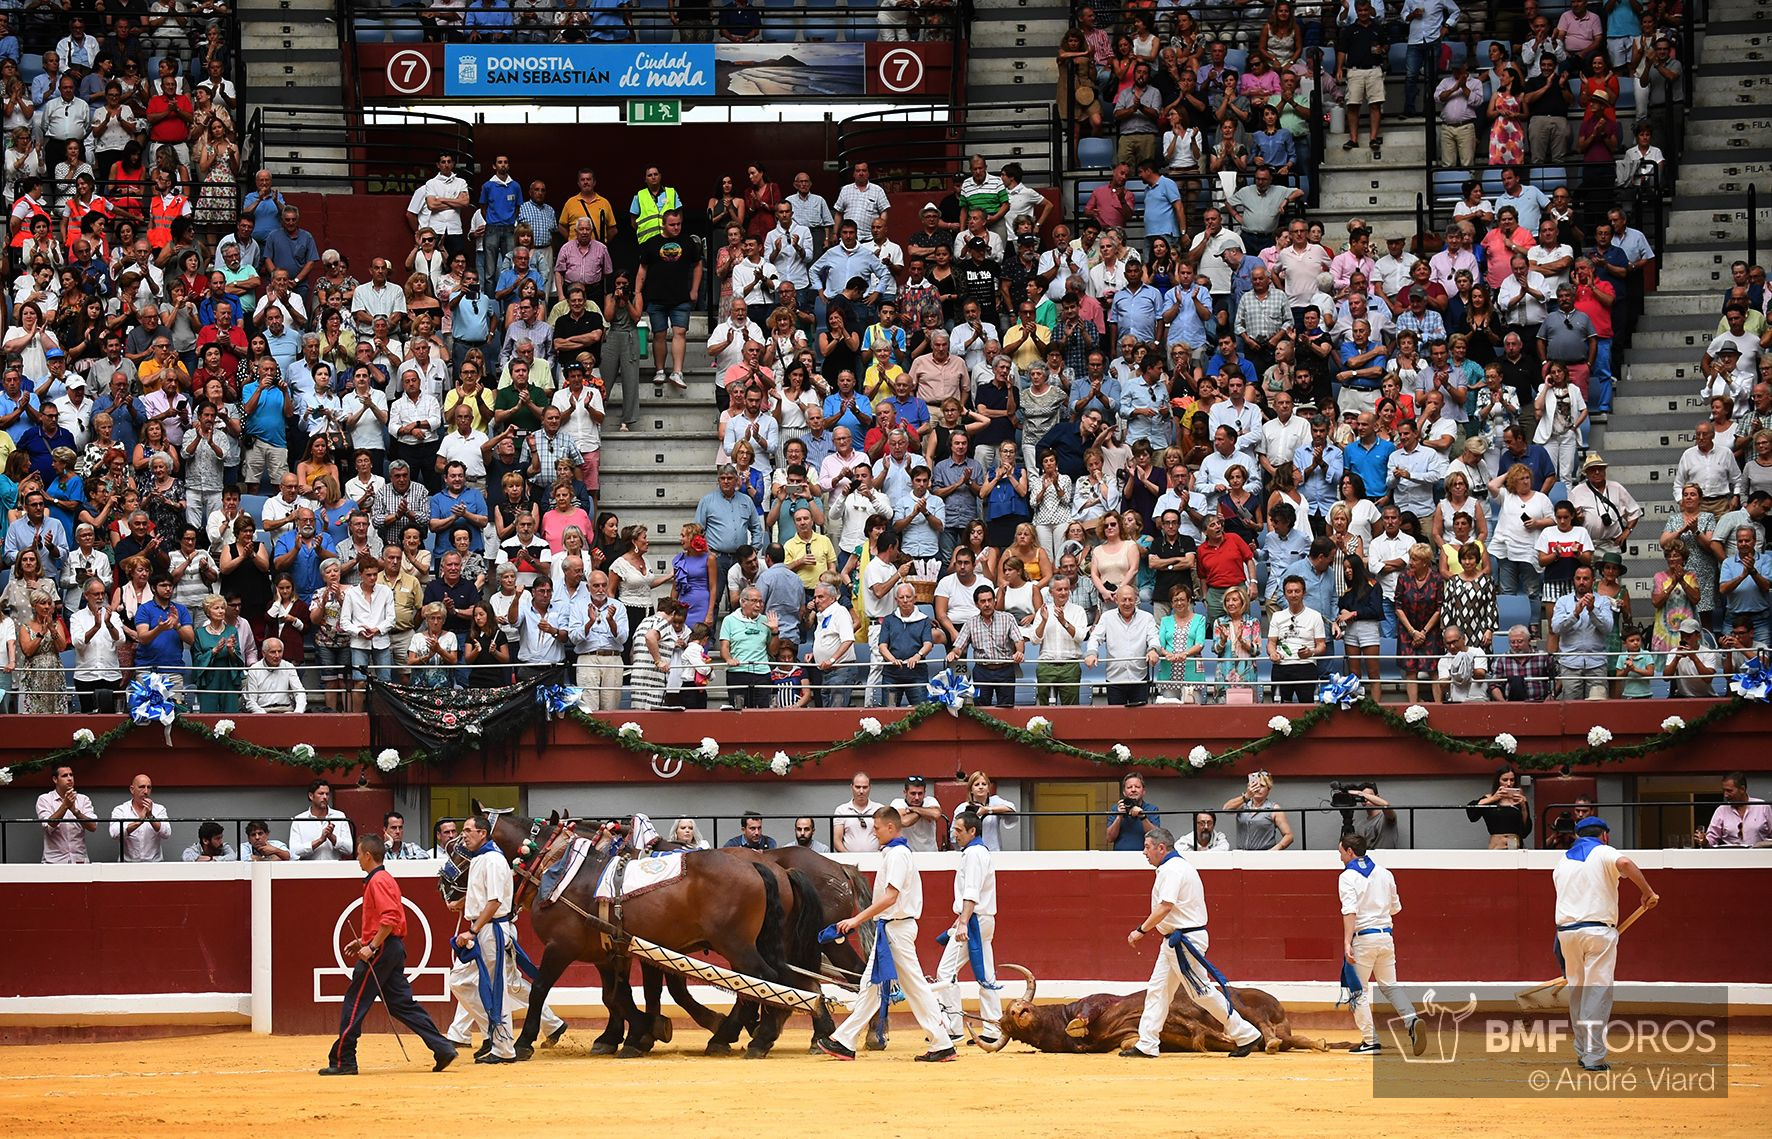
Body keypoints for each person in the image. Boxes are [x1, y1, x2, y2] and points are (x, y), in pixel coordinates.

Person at [816, 807, 958, 1063]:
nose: (875, 832)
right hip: (893, 928)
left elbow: (890, 897)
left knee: (909, 986)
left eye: (877, 828)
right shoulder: (896, 854)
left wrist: (856, 919)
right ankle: (845, 1040)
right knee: (872, 985)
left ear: (891, 828)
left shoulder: (897, 856)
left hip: (896, 928)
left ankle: (942, 1041)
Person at [320, 833, 459, 1075]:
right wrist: (363, 940)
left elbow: (389, 919)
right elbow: (387, 920)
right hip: (390, 947)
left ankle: (344, 1060)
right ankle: (442, 1047)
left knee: (356, 1001)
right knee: (401, 1004)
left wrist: (371, 946)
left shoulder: (377, 881)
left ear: (368, 855)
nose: (357, 860)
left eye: (359, 855)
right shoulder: (384, 879)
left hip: (382, 949)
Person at [1120, 826, 1264, 1059]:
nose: (1144, 852)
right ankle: (1147, 1043)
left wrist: (1141, 930)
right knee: (1158, 990)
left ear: (1161, 848)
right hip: (1177, 940)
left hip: (1183, 941)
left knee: (1201, 992)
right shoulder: (1179, 867)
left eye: (1147, 848)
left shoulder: (1172, 870)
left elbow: (1165, 906)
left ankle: (1246, 1033)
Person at [1551, 815, 1660, 1073]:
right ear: (1605, 835)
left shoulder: (1562, 862)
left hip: (1566, 933)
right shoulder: (1604, 851)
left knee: (1578, 991)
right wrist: (1646, 891)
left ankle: (1582, 1052)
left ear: (1578, 835)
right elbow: (1624, 862)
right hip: (1598, 932)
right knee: (1597, 993)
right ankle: (1594, 1057)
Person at [446, 813, 520, 1064]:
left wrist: (473, 930)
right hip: (482, 927)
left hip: (489, 930)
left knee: (496, 987)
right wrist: (461, 903)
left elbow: (495, 901)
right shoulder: (481, 858)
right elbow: (483, 896)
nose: (463, 835)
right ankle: (494, 1029)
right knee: (459, 981)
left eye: (468, 830)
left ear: (483, 833)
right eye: (463, 830)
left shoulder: (493, 860)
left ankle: (504, 1048)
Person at [1338, 833, 1422, 1055]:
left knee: (1358, 992)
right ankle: (1411, 1019)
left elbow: (1350, 911)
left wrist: (1347, 942)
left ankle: (1370, 1040)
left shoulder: (1347, 877)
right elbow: (1396, 908)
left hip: (1364, 938)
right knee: (1390, 985)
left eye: (1340, 853)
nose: (1340, 858)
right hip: (1386, 936)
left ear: (1349, 851)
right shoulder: (1385, 873)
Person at [935, 811, 1002, 1047]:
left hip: (974, 921)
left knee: (945, 972)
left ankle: (953, 1028)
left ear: (972, 831)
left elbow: (971, 891)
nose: (954, 835)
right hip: (981, 919)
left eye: (959, 831)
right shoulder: (978, 852)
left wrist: (962, 921)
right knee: (986, 974)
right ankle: (993, 1027)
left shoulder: (973, 854)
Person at [1692, 772, 1772, 848]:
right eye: (1724, 791)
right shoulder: (1721, 810)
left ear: (1742, 789)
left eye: (1729, 791)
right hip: (1731, 858)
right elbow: (1711, 839)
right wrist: (1704, 841)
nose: (1725, 795)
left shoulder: (1762, 806)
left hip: (1760, 858)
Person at [37, 764, 98, 863]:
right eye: (65, 776)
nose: (69, 778)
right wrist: (65, 805)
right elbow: (48, 826)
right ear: (55, 779)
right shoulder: (44, 799)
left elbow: (93, 826)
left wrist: (75, 812)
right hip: (54, 861)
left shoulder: (83, 799)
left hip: (79, 860)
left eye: (71, 775)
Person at [108, 772, 172, 862]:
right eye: (142, 787)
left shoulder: (159, 809)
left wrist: (150, 817)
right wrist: (138, 822)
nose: (146, 791)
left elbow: (166, 833)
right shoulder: (120, 810)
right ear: (132, 789)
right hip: (128, 865)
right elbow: (114, 834)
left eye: (148, 787)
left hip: (154, 864)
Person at [1467, 766, 1533, 849]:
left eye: (1512, 780)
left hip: (1513, 841)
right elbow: (1472, 814)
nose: (1509, 784)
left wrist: (1523, 806)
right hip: (1496, 843)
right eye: (1505, 780)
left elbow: (1525, 830)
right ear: (1498, 781)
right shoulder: (1489, 799)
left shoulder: (1519, 800)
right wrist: (1493, 798)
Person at [1226, 771, 1293, 851]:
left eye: (1262, 786)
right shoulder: (1243, 804)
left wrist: (1274, 850)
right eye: (1255, 785)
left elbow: (1289, 836)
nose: (1258, 789)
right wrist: (1246, 797)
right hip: (1242, 854)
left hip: (1263, 854)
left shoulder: (1274, 809)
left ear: (1268, 789)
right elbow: (1226, 809)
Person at [290, 778, 354, 860]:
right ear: (311, 796)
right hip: (308, 870)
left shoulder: (339, 816)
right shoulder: (299, 820)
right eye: (321, 793)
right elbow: (294, 852)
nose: (325, 797)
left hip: (334, 869)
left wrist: (332, 837)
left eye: (327, 794)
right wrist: (320, 841)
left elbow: (349, 849)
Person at [1106, 772, 1160, 852]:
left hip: (1146, 856)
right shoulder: (1116, 809)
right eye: (1129, 787)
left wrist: (1143, 817)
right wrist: (1119, 816)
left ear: (1143, 791)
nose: (1133, 790)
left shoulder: (1152, 809)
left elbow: (1156, 837)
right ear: (1124, 792)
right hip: (1120, 857)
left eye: (1137, 787)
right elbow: (1109, 838)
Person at [891, 776, 944, 852]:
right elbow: (904, 822)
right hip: (907, 853)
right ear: (905, 792)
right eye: (913, 793)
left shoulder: (930, 801)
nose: (917, 798)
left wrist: (914, 809)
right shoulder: (897, 803)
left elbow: (936, 814)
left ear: (924, 793)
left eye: (920, 793)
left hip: (930, 854)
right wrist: (924, 813)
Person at [832, 771, 880, 854]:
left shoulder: (879, 809)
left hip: (876, 860)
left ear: (870, 788)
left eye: (865, 787)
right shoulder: (841, 810)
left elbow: (886, 837)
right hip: (849, 862)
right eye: (858, 787)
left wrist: (878, 854)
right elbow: (837, 840)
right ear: (852, 787)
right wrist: (849, 857)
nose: (861, 791)